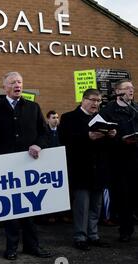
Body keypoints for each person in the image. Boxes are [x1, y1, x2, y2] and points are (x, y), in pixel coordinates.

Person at [0, 71, 51, 260]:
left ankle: (32, 246)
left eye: (19, 82)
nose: (17, 85)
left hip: (29, 167)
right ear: (4, 87)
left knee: (30, 206)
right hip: (6, 168)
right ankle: (11, 247)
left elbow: (44, 133)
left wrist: (39, 144)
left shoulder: (33, 107)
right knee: (12, 209)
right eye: (12, 82)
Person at [59, 89, 114, 251]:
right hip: (80, 168)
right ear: (83, 100)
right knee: (82, 205)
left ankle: (93, 234)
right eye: (93, 100)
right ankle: (80, 236)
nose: (96, 104)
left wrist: (112, 135)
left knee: (96, 205)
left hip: (99, 169)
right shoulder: (69, 117)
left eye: (99, 101)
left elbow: (107, 147)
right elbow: (65, 139)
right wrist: (87, 136)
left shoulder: (102, 119)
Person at [100, 79, 137, 243]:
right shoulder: (108, 110)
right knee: (124, 196)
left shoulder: (136, 108)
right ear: (118, 92)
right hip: (119, 159)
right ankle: (125, 230)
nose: (131, 90)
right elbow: (101, 134)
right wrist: (119, 140)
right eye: (127, 88)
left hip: (136, 156)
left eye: (133, 88)